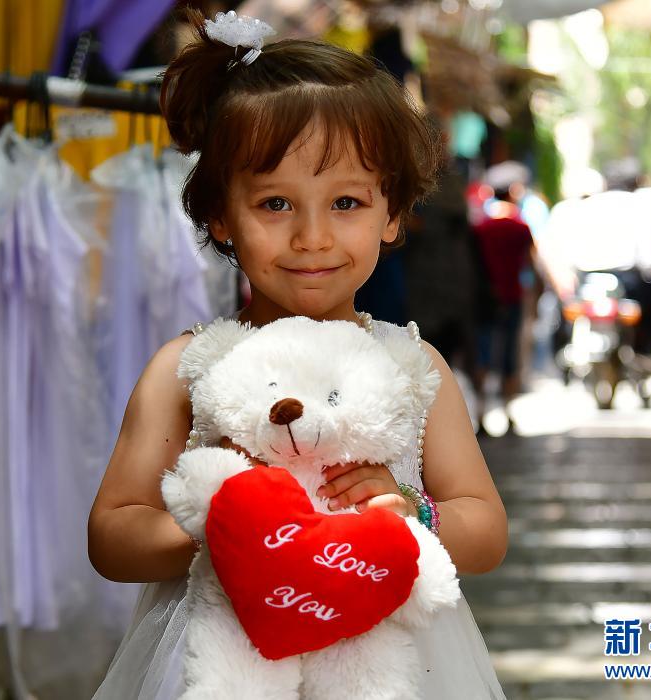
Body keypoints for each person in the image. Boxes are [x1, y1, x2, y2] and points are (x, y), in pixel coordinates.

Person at [88, 10, 508, 698]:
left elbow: (486, 528)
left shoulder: (413, 366)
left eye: (346, 202)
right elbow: (111, 536)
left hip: (393, 665)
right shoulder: (186, 368)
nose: (313, 236)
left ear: (391, 212)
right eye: (276, 204)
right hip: (221, 661)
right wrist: (222, 526)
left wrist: (412, 514)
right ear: (220, 214)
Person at [472, 185, 536, 434]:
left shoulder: (481, 228)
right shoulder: (520, 227)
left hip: (485, 300)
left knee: (483, 354)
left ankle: (481, 414)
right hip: (513, 297)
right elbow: (530, 263)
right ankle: (508, 413)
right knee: (510, 355)